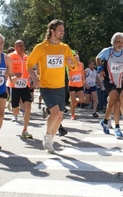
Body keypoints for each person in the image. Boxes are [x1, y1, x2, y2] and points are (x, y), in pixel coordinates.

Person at [26, 19, 76, 153]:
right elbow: (29, 64)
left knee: (59, 116)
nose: (62, 33)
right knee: (54, 114)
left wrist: (71, 62)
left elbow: (73, 66)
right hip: (46, 86)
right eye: (60, 30)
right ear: (52, 31)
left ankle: (50, 141)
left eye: (63, 30)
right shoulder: (41, 47)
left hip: (60, 86)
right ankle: (47, 135)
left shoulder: (65, 48)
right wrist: (34, 78)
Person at [96, 32, 123, 138]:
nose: (120, 44)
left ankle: (105, 121)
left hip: (119, 82)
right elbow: (98, 58)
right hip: (108, 80)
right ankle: (117, 127)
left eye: (122, 42)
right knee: (117, 102)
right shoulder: (108, 51)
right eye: (118, 42)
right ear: (113, 42)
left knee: (111, 103)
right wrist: (100, 69)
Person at [8, 40, 33, 139]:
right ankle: (12, 106)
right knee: (15, 110)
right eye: (19, 45)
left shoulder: (27, 58)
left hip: (25, 85)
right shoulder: (10, 57)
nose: (21, 47)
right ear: (15, 47)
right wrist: (13, 75)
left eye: (23, 45)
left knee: (28, 105)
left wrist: (33, 78)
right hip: (14, 86)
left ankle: (25, 129)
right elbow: (6, 70)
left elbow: (30, 69)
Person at [68, 50, 85, 120]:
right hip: (72, 84)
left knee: (82, 99)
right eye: (75, 56)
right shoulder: (70, 64)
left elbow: (82, 72)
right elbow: (68, 72)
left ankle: (75, 102)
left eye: (77, 56)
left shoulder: (81, 64)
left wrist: (84, 79)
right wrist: (69, 78)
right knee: (72, 100)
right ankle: (72, 114)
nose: (76, 57)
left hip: (80, 84)